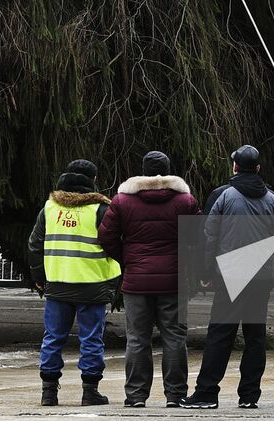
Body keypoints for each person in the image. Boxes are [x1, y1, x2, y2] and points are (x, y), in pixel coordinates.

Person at [181, 145, 274, 410]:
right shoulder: (273, 200)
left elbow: (209, 237)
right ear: (259, 168)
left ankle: (207, 393)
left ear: (235, 167)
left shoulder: (224, 196)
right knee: (255, 336)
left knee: (220, 334)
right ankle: (250, 395)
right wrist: (272, 272)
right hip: (261, 277)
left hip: (231, 274)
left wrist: (206, 272)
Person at [98, 150, 199, 408]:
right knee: (174, 337)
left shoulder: (122, 201)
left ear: (143, 171)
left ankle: (135, 396)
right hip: (173, 281)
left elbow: (106, 236)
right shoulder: (185, 201)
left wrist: (127, 259)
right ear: (167, 171)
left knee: (137, 338)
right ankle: (175, 396)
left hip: (136, 281)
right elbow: (200, 236)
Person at [27, 159, 121, 407]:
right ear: (93, 181)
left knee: (53, 338)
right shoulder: (100, 210)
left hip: (58, 284)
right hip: (93, 284)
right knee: (91, 339)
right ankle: (90, 392)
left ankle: (49, 392)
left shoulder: (49, 208)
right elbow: (115, 244)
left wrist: (39, 278)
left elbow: (35, 245)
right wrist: (116, 278)